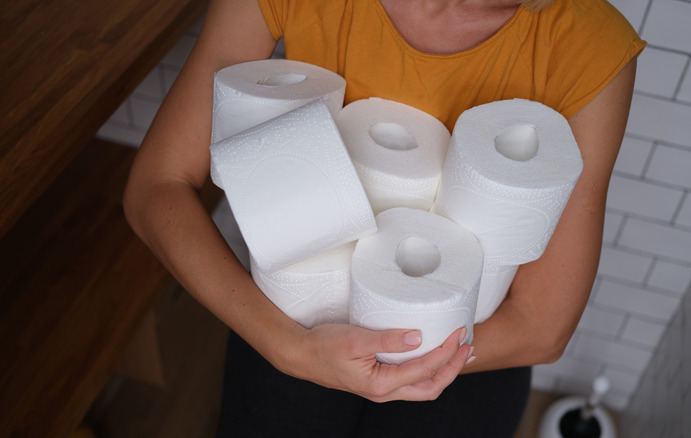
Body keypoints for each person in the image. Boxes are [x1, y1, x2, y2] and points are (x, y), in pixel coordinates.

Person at [123, 0, 645, 436]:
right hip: (293, 321)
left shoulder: (589, 45)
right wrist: (289, 349)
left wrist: (388, 361)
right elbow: (156, 188)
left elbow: (542, 326)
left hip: (468, 349)